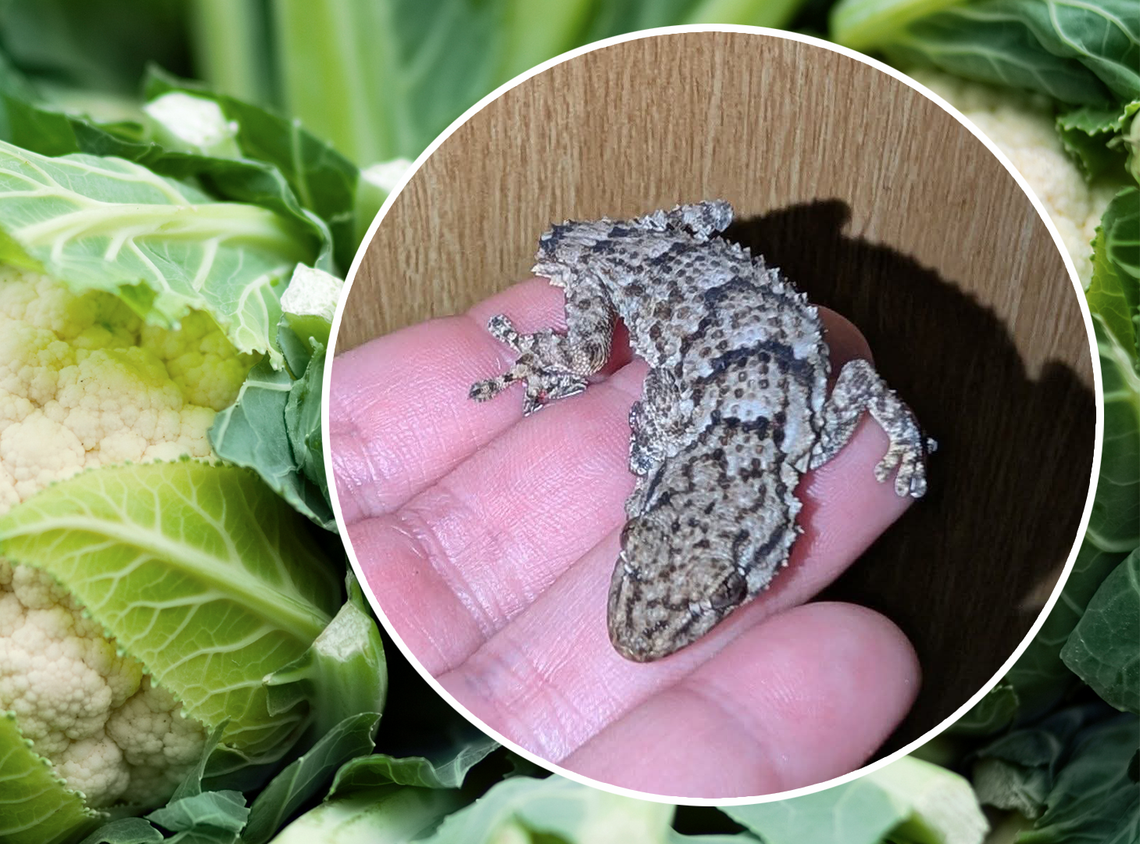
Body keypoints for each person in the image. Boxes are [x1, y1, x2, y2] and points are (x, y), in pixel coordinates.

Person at [328, 277, 921, 798]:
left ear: (772, 548)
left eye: (714, 595)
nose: (632, 624)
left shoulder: (805, 443)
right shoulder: (801, 441)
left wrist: (905, 439)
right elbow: (859, 383)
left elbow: (861, 379)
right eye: (637, 549)